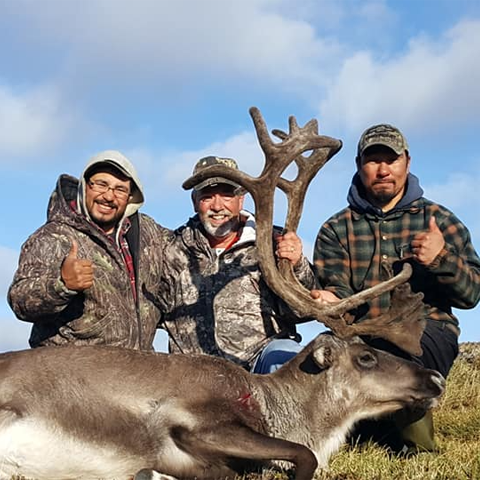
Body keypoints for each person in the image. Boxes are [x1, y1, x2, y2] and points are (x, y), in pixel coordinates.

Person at [312, 123, 480, 453]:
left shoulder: (440, 220)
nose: (383, 169)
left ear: (407, 162)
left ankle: (418, 449)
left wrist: (441, 258)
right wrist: (331, 301)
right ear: (360, 166)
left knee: (402, 352)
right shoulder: (335, 229)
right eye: (373, 161)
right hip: (362, 335)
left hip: (427, 333)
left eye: (391, 160)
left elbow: (472, 294)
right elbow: (340, 293)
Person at [158, 156, 315, 372]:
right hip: (193, 375)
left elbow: (302, 311)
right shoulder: (173, 249)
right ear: (195, 202)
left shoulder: (272, 242)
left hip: (257, 368)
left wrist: (297, 266)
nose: (217, 206)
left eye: (226, 195)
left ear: (241, 200)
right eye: (207, 196)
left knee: (286, 354)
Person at [8, 150, 170, 350]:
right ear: (85, 186)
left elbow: (187, 245)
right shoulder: (54, 237)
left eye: (120, 189)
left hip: (134, 372)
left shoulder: (149, 233)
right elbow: (20, 302)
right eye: (101, 184)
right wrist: (62, 286)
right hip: (71, 373)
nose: (109, 196)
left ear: (130, 198)